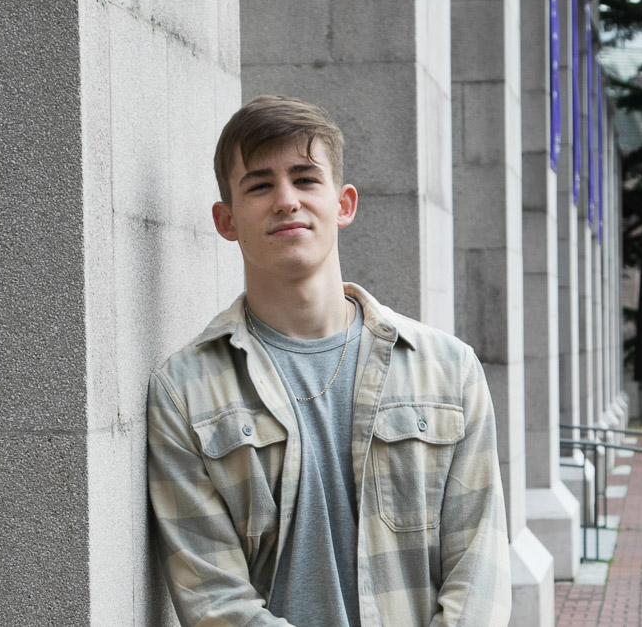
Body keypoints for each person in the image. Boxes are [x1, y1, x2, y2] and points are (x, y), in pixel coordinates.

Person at [147, 95, 511, 626]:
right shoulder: (185, 391)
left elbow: (480, 572)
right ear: (226, 220)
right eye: (259, 184)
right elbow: (215, 603)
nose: (286, 200)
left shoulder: (448, 370)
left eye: (305, 178)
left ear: (343, 204)